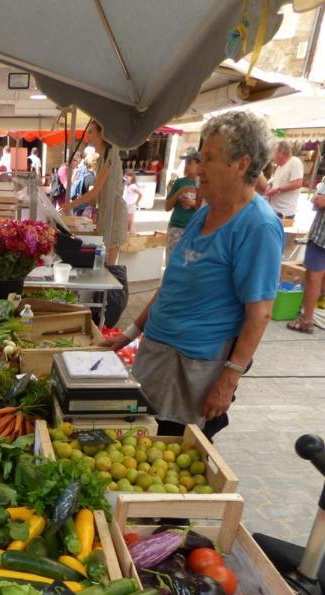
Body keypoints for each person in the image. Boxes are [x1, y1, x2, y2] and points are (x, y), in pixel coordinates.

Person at [104, 110, 283, 440]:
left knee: (173, 455)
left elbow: (259, 314)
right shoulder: (204, 214)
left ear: (241, 164)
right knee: (138, 439)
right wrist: (129, 333)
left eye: (209, 159)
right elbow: (171, 283)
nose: (198, 168)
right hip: (157, 356)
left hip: (194, 367)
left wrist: (228, 380)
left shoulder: (257, 226)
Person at [63, 121, 128, 265]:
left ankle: (111, 288)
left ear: (102, 134)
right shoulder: (102, 158)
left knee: (109, 265)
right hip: (106, 211)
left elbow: (95, 193)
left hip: (114, 212)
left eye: (91, 131)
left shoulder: (110, 157)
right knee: (103, 260)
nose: (88, 135)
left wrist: (71, 205)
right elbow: (95, 196)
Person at [286, 185, 325, 334]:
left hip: (321, 237)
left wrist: (318, 198)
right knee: (318, 277)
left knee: (313, 276)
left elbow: (319, 202)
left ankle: (307, 320)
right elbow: (317, 200)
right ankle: (311, 313)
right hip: (320, 235)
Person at [164, 151, 201, 261]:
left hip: (194, 229)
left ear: (199, 164)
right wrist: (180, 191)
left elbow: (209, 206)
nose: (186, 165)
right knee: (171, 261)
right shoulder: (179, 182)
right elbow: (167, 207)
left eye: (190, 162)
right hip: (176, 227)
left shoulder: (205, 184)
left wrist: (194, 203)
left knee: (188, 263)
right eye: (186, 162)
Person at [265, 139, 303, 223]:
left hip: (284, 213)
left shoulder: (294, 161)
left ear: (280, 153)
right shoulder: (279, 167)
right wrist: (270, 187)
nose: (272, 155)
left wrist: (277, 190)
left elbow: (297, 183)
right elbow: (275, 183)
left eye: (273, 152)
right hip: (273, 210)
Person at [68, 151, 98, 219]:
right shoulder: (91, 178)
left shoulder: (82, 175)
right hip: (85, 213)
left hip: (77, 210)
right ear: (94, 164)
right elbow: (92, 198)